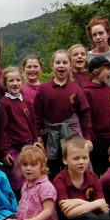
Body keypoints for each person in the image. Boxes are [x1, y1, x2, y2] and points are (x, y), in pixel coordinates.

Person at [31, 49, 93, 178]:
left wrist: (87, 138)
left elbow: (85, 115)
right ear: (52, 66)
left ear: (70, 66)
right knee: (51, 171)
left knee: (71, 169)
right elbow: (36, 115)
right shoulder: (43, 88)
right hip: (49, 137)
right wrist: (37, 135)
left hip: (71, 136)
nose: (61, 65)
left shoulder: (75, 89)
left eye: (65, 62)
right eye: (58, 62)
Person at [0, 67, 37, 197]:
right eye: (11, 81)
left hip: (28, 146)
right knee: (16, 179)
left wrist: (36, 139)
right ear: (5, 84)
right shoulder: (4, 103)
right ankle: (18, 204)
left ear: (22, 81)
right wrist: (3, 151)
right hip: (12, 148)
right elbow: (1, 129)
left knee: (30, 175)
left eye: (18, 80)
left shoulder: (26, 102)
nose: (15, 83)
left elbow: (32, 123)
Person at [81, 56, 110, 176]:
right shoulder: (86, 92)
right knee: (98, 174)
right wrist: (92, 137)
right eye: (107, 68)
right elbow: (85, 118)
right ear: (96, 71)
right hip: (97, 142)